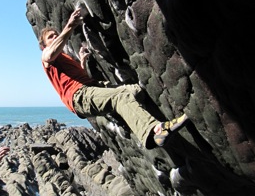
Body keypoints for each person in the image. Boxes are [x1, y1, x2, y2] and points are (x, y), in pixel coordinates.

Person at [39, 8, 188, 148]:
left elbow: (79, 77)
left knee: (135, 90)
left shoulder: (64, 58)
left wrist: (82, 61)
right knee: (120, 97)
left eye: (55, 34)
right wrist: (70, 26)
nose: (55, 37)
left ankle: (130, 117)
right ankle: (154, 131)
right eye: (50, 37)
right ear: (44, 45)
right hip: (79, 97)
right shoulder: (46, 56)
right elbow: (50, 55)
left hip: (91, 88)